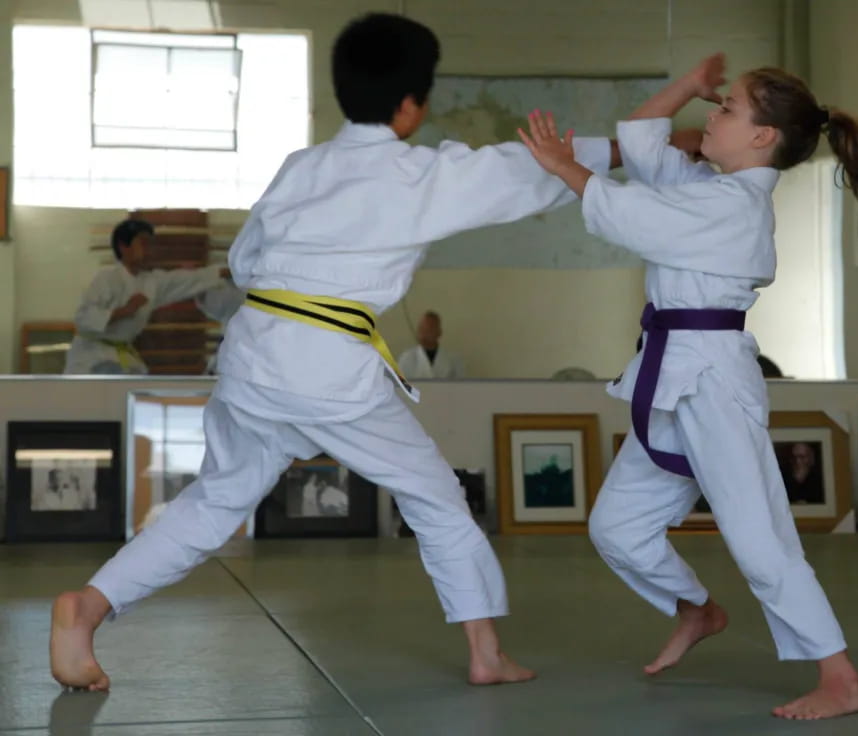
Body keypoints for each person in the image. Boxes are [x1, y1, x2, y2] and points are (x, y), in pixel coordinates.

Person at [49, 12, 630, 692]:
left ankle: (88, 606)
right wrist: (636, 148)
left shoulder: (302, 166)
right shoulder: (418, 175)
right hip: (326, 365)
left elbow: (245, 258)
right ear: (413, 104)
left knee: (216, 499)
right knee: (436, 495)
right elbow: (531, 171)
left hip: (253, 351)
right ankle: (485, 654)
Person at [518, 52, 858, 719]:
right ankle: (697, 610)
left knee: (760, 540)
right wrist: (689, 86)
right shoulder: (704, 185)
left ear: (763, 137)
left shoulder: (737, 208)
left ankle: (842, 678)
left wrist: (565, 166)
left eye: (727, 107)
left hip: (711, 381)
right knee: (616, 527)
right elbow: (642, 137)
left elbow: (628, 217)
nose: (713, 113)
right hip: (669, 373)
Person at [64, 219, 229, 374]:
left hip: (121, 355)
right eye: (143, 243)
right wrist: (124, 311)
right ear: (123, 247)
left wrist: (222, 272)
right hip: (91, 357)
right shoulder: (106, 278)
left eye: (151, 244)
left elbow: (183, 280)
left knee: (135, 382)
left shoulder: (150, 282)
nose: (149, 249)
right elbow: (83, 318)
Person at [398, 310, 464, 379]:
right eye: (422, 329)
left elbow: (460, 387)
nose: (424, 334)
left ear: (439, 332)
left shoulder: (453, 360)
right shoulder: (406, 358)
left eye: (429, 329)